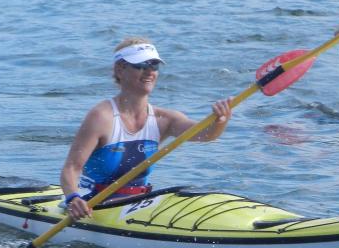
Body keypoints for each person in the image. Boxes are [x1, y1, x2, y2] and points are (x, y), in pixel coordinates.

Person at [60, 37, 232, 221]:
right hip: (92, 204)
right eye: (141, 65)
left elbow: (206, 135)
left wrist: (221, 120)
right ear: (120, 70)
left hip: (137, 202)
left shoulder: (164, 119)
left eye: (154, 66)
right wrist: (73, 198)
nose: (150, 71)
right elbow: (71, 168)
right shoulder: (101, 117)